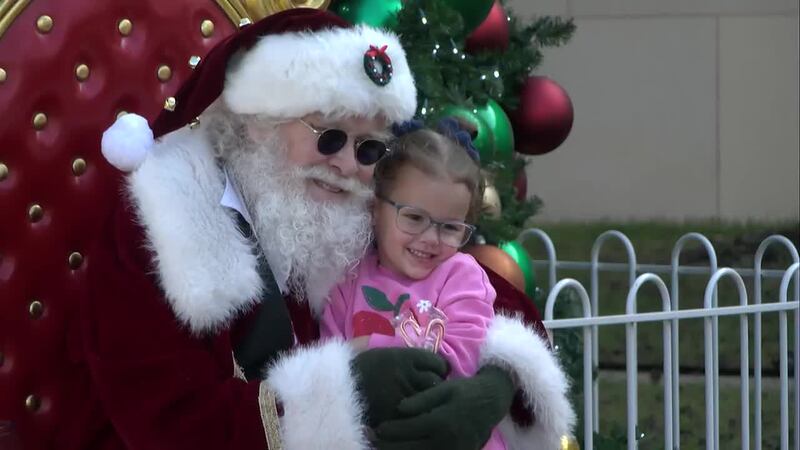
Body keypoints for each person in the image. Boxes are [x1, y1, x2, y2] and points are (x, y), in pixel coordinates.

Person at [81, 7, 573, 450]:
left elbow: (496, 299)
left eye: (368, 149)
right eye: (329, 136)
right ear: (261, 122)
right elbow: (168, 422)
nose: (345, 165)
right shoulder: (162, 223)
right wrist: (342, 394)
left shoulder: (356, 211)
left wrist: (495, 383)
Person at [321, 123, 509, 450]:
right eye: (413, 218)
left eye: (450, 227)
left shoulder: (461, 276)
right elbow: (328, 365)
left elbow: (462, 361)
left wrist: (367, 346)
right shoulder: (346, 279)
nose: (430, 239)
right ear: (375, 209)